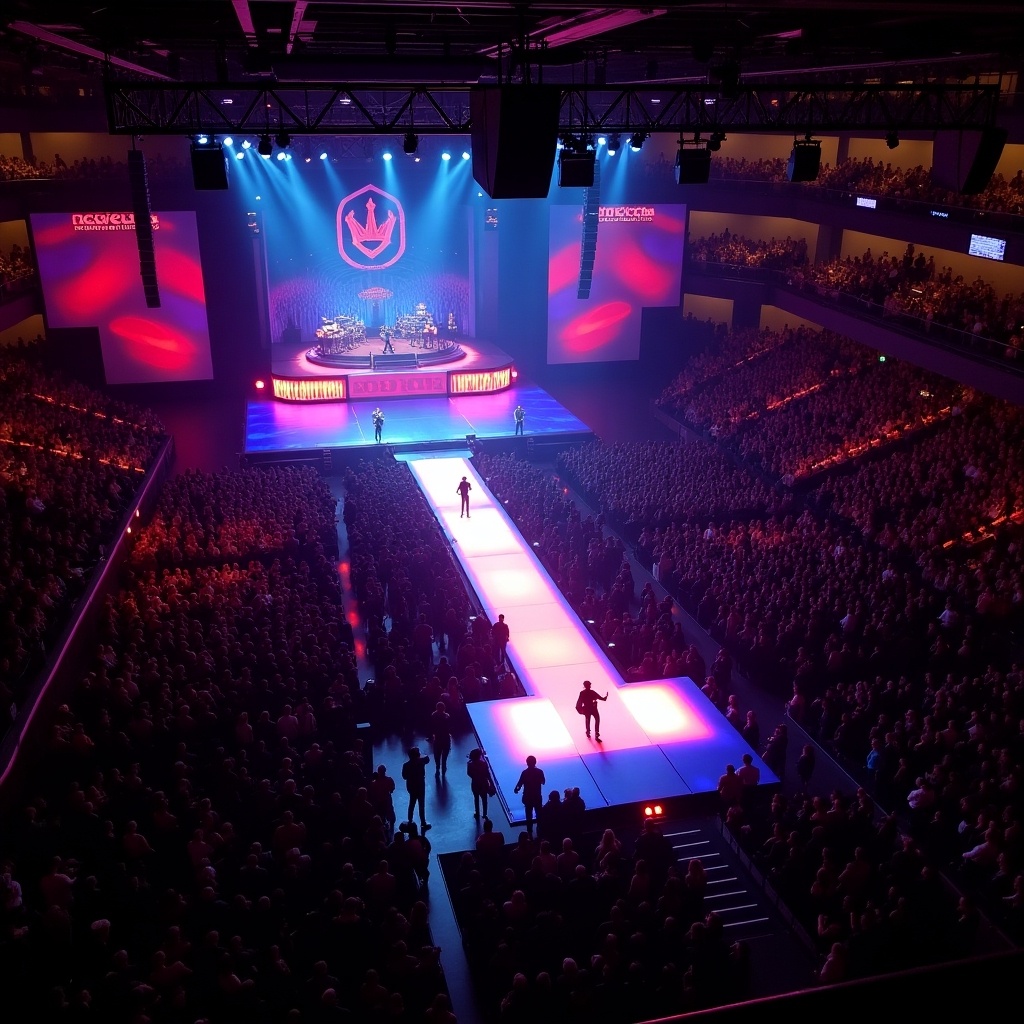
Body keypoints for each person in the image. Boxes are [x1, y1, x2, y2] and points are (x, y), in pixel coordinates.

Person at [513, 755, 546, 835]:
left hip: (527, 797)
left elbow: (520, 783)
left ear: (527, 763)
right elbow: (543, 782)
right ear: (535, 762)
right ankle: (539, 830)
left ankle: (529, 832)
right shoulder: (540, 772)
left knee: (528, 815)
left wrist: (516, 789)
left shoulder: (524, 773)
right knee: (539, 814)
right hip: (537, 796)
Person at [401, 747, 431, 827]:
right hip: (420, 785)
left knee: (412, 803)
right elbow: (428, 759)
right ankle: (423, 822)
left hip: (411, 786)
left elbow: (404, 777)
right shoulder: (421, 762)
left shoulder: (406, 765)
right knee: (421, 804)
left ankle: (410, 820)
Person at [466, 747, 493, 820]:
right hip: (484, 783)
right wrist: (491, 784)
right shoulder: (483, 764)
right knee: (484, 799)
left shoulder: (470, 764)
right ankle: (484, 814)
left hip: (475, 783)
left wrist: (475, 777)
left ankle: (477, 812)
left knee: (476, 798)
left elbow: (468, 773)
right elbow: (488, 774)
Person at [429, 701, 452, 778]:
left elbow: (431, 727)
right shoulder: (447, 716)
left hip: (438, 738)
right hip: (446, 737)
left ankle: (438, 767)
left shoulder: (433, 716)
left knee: (437, 755)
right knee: (444, 755)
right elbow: (449, 727)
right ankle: (443, 768)